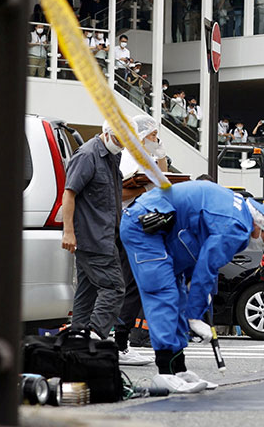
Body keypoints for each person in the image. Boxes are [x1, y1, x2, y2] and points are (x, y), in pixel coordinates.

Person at [120, 181, 264, 390]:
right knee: (163, 293)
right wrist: (194, 316)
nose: (263, 245)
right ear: (262, 224)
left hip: (164, 227)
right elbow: (207, 265)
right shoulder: (237, 227)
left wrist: (196, 296)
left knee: (179, 296)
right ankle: (165, 371)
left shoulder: (238, 211)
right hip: (145, 226)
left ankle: (178, 369)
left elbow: (199, 254)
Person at [61, 120, 134, 342]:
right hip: (93, 237)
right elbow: (69, 194)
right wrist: (68, 232)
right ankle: (94, 336)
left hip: (104, 235)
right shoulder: (87, 155)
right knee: (114, 288)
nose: (122, 145)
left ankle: (77, 341)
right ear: (107, 133)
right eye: (120, 140)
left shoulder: (113, 155)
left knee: (87, 292)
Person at [114, 115, 168, 366]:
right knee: (131, 284)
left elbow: (163, 181)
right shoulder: (127, 157)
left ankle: (121, 340)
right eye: (153, 135)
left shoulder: (146, 156)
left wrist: (160, 153)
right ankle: (119, 342)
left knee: (136, 283)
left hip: (145, 224)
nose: (156, 139)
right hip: (130, 224)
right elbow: (119, 191)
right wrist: (145, 187)